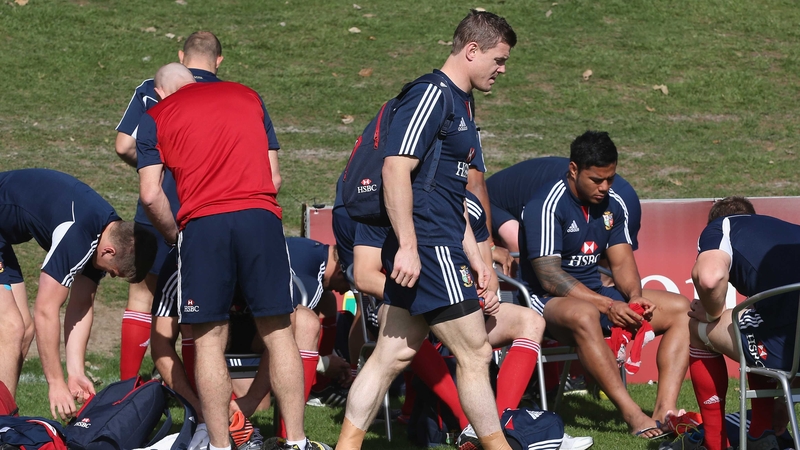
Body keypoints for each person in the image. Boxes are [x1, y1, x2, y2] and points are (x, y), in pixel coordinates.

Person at [336, 10, 517, 450]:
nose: (502, 69)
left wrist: (477, 257)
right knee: (475, 352)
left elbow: (448, 193)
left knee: (390, 356)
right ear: (471, 50)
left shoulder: (463, 101)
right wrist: (410, 248)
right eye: (498, 58)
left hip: (439, 242)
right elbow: (396, 167)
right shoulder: (430, 95)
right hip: (429, 247)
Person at [137, 64, 323, 450]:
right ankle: (298, 442)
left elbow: (152, 194)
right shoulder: (247, 95)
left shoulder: (154, 115)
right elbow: (274, 179)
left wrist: (176, 236)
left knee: (207, 342)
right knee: (279, 332)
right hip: (260, 216)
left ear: (159, 91)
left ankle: (221, 446)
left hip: (204, 225)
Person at [352, 192, 594, 450]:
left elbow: (485, 271)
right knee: (401, 323)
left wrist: (487, 293)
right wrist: (430, 296)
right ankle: (468, 423)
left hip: (463, 306)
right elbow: (364, 276)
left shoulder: (472, 205)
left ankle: (501, 422)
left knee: (531, 321)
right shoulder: (389, 202)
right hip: (409, 303)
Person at [518, 131, 691, 439]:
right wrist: (608, 305)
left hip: (597, 294)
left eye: (610, 179)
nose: (605, 187)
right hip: (548, 300)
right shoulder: (545, 204)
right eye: (596, 180)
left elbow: (622, 262)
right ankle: (632, 414)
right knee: (584, 315)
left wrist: (635, 297)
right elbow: (549, 276)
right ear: (573, 170)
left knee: (681, 309)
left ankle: (665, 410)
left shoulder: (614, 204)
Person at [114, 31, 230, 381]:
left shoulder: (153, 86)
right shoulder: (227, 94)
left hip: (156, 203)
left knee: (142, 296)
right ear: (219, 60)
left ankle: (126, 390)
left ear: (181, 55)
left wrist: (155, 164)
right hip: (205, 207)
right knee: (196, 305)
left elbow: (123, 145)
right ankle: (199, 394)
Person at [0, 168, 156, 420]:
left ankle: (6, 421)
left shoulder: (107, 232)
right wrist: (55, 382)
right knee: (11, 327)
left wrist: (75, 372)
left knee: (24, 332)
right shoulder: (79, 235)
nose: (111, 276)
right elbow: (45, 310)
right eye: (114, 273)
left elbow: (81, 305)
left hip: (2, 235)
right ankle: (3, 426)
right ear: (109, 252)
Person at [668, 196, 798, 450]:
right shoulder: (787, 229)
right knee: (755, 318)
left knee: (697, 327)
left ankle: (715, 443)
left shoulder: (722, 227)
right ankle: (762, 432)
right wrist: (784, 401)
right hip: (792, 347)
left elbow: (710, 278)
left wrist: (711, 314)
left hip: (786, 344)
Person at [486, 156, 641, 254]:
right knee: (518, 242)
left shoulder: (627, 207)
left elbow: (613, 268)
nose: (603, 187)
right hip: (492, 199)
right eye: (597, 181)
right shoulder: (556, 199)